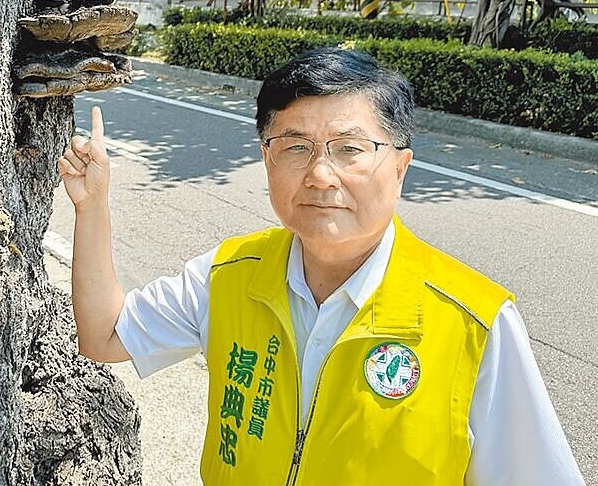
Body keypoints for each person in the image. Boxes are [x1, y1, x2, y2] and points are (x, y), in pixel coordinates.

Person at [58, 47, 584, 485]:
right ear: (266, 159)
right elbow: (106, 335)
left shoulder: (475, 323)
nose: (320, 174)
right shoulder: (229, 274)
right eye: (295, 147)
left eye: (349, 149)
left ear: (400, 166)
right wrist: (93, 207)